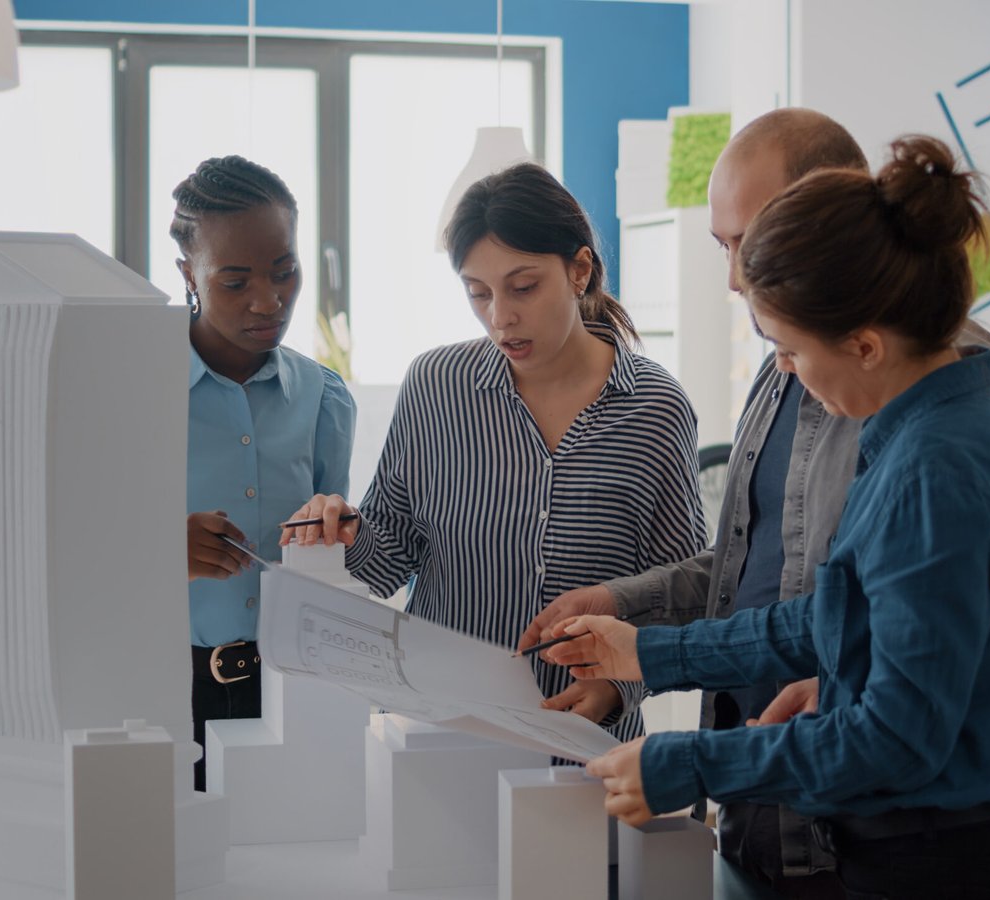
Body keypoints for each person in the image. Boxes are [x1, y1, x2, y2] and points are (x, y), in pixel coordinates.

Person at [516, 108, 990, 897]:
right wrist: (642, 644)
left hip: (899, 842)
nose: (737, 279)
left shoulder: (944, 443)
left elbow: (906, 713)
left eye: (749, 243)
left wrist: (690, 758)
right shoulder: (815, 376)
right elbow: (823, 608)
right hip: (783, 813)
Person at [283, 162, 707, 737]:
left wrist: (618, 686)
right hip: (438, 737)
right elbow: (387, 559)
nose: (500, 317)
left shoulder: (656, 408)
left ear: (579, 269)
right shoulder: (436, 384)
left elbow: (678, 595)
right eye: (477, 293)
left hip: (584, 747)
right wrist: (342, 531)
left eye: (523, 287)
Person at [175, 155, 356, 790]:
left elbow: (335, 559)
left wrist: (340, 534)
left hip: (296, 691)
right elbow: (66, 548)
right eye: (235, 281)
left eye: (285, 273)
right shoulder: (128, 388)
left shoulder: (324, 399)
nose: (269, 301)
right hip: (165, 695)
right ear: (188, 276)